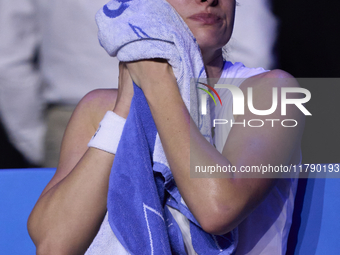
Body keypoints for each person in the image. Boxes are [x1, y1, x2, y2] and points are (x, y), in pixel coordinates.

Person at [27, 0, 304, 254]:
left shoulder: (274, 91)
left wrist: (157, 82)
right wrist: (126, 105)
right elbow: (55, 243)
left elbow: (217, 209)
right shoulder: (97, 108)